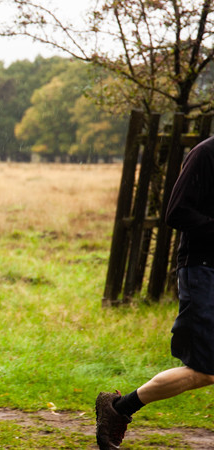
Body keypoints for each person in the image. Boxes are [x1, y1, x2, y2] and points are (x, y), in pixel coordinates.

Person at [95, 136, 214, 449]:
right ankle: (118, 409)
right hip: (203, 269)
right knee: (205, 370)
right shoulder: (205, 154)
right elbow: (176, 212)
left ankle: (118, 409)